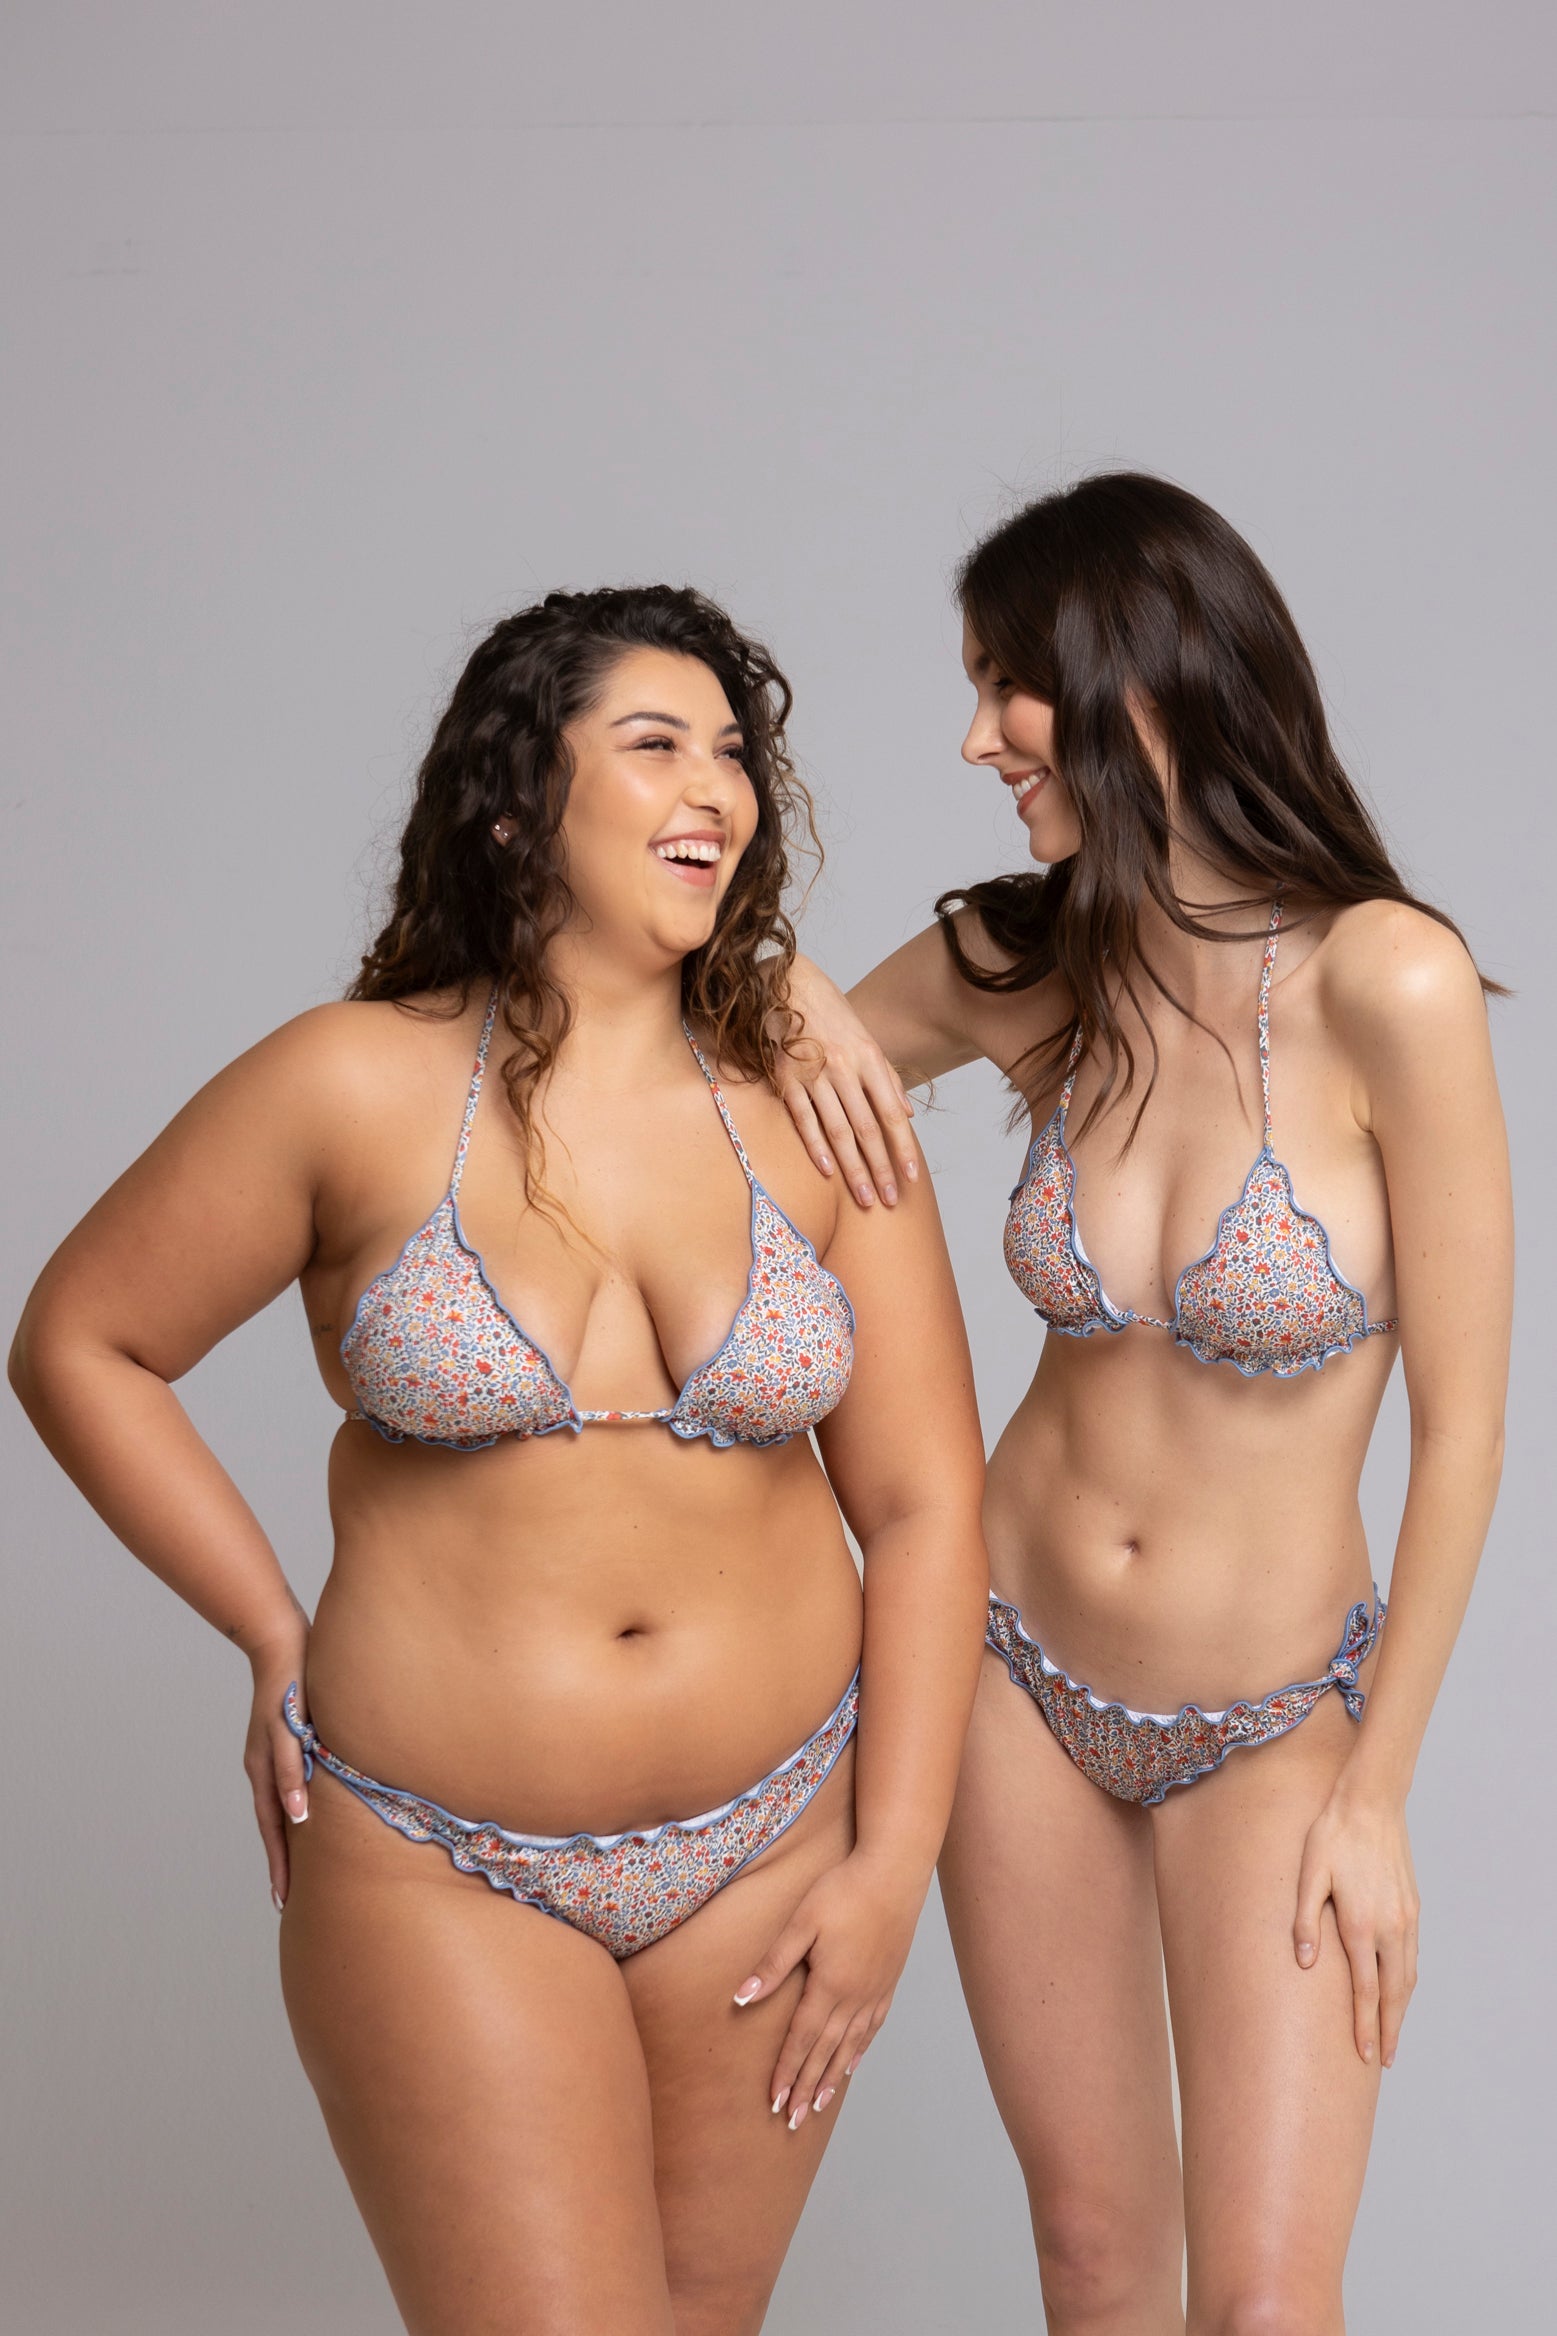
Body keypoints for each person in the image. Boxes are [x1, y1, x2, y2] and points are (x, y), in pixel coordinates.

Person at [9, 585, 988, 2336]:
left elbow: (922, 1506)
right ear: (514, 801)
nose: (716, 787)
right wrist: (268, 1627)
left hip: (775, 1847)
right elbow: (81, 1341)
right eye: (654, 744)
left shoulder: (816, 1104)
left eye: (733, 753)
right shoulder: (349, 1083)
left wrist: (890, 1860)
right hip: (437, 1859)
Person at [778, 475, 1511, 2332]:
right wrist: (764, 967)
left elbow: (1465, 1430)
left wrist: (1376, 1793)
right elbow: (763, 1073)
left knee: (1263, 2305)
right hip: (1009, 1676)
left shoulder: (1389, 979)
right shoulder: (1024, 963)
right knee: (1095, 2265)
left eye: (1002, 684)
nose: (973, 738)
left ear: (1133, 679)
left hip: (1270, 1718)